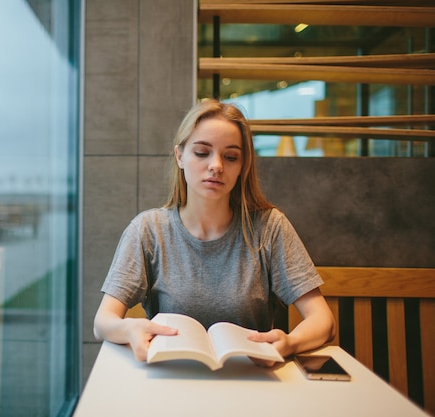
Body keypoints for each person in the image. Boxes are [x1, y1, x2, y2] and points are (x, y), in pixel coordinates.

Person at [93, 98, 335, 366]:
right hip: (173, 379)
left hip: (249, 380)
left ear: (242, 166)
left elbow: (322, 321)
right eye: (202, 152)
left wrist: (290, 343)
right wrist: (130, 329)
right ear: (180, 156)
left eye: (230, 157)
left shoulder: (269, 228)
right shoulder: (148, 230)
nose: (216, 165)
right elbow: (103, 321)